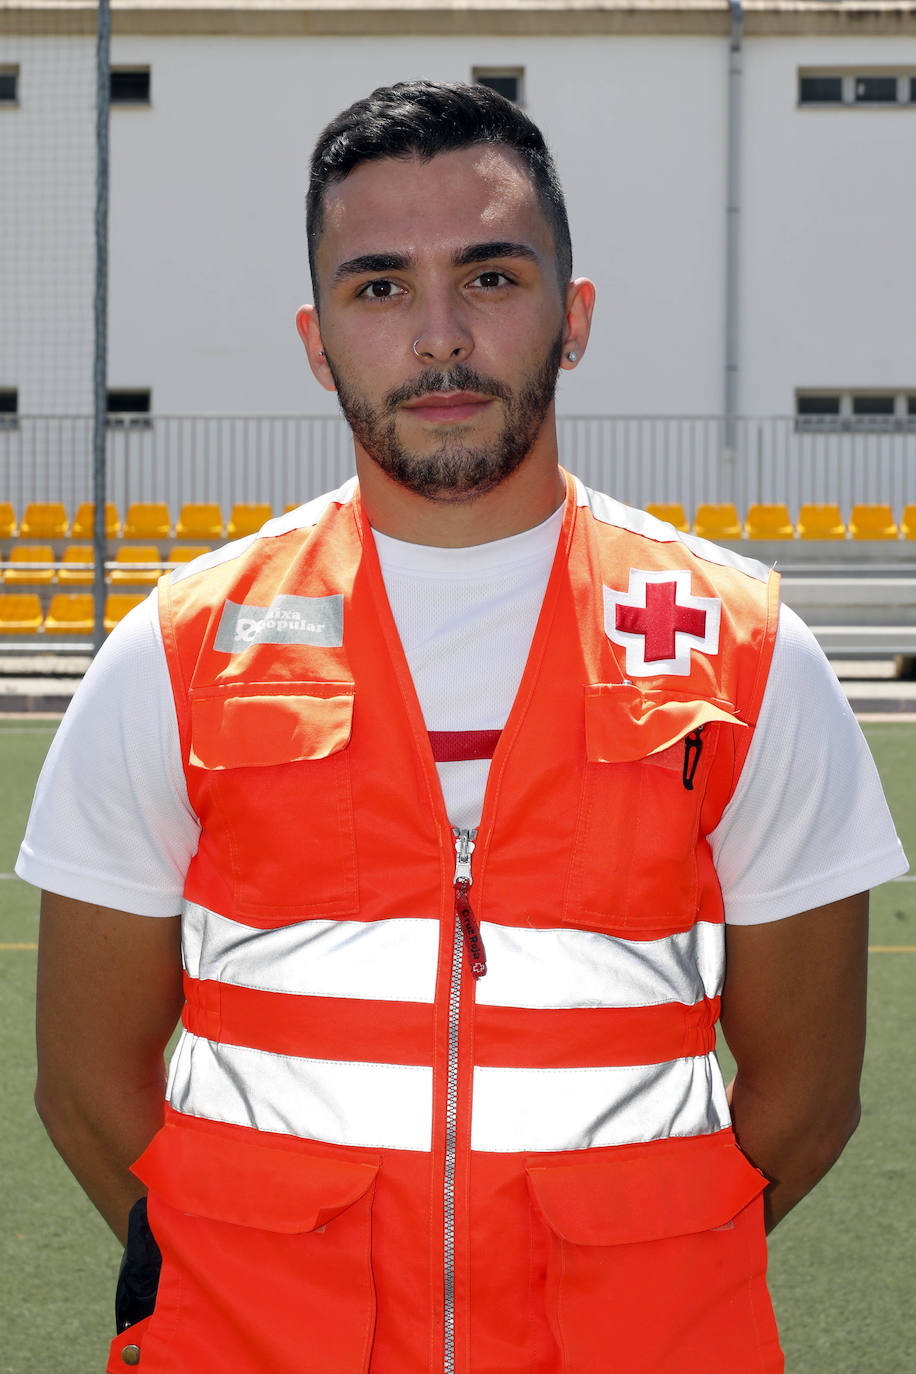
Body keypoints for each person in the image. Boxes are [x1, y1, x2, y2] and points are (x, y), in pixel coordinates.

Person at [18, 80, 907, 1374]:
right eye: (380, 287)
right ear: (319, 338)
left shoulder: (745, 650)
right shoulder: (177, 648)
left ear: (574, 313)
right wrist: (248, 1271)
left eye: (490, 277)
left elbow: (810, 1097)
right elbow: (87, 1082)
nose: (439, 334)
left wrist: (647, 1261)